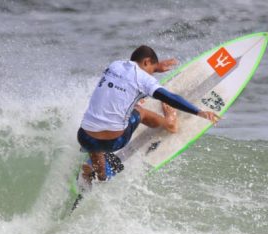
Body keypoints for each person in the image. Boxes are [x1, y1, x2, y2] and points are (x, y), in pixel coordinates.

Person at [77, 45, 220, 182]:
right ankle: (169, 124)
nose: (152, 75)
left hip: (84, 137)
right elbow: (170, 98)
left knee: (97, 132)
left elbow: (119, 92)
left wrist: (156, 67)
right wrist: (199, 111)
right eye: (152, 70)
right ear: (146, 61)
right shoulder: (143, 79)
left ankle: (98, 174)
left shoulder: (115, 65)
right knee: (140, 111)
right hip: (113, 142)